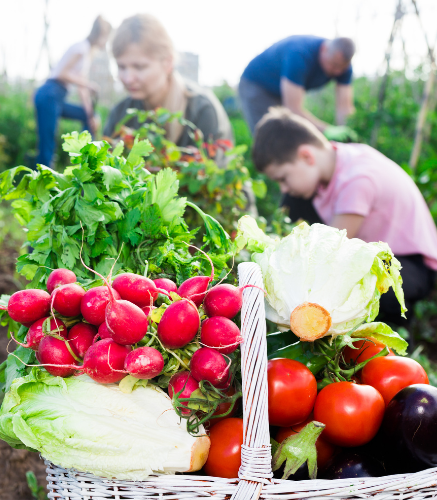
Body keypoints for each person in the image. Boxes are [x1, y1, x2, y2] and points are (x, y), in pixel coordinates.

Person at [252, 107, 437, 325]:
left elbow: (330, 257)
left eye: (283, 178)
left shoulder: (356, 179)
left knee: (373, 292)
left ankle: (392, 335)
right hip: (374, 251)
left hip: (410, 265)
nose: (283, 188)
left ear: (307, 156)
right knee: (296, 198)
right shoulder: (334, 159)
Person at [239, 35, 356, 224]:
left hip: (282, 92)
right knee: (277, 147)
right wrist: (326, 130)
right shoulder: (299, 55)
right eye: (332, 65)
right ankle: (286, 214)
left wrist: (345, 133)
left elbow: (345, 109)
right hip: (258, 87)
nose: (335, 72)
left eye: (340, 69)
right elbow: (293, 109)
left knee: (307, 148)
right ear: (324, 49)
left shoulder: (342, 65)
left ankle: (315, 201)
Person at [103, 14, 233, 149]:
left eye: (139, 67)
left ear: (168, 62)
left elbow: (211, 168)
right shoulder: (121, 113)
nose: (128, 78)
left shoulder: (202, 110)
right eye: (121, 67)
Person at [34, 16, 111, 168]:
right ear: (101, 34)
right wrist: (89, 85)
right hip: (49, 93)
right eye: (107, 38)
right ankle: (42, 182)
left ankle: (87, 161)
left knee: (91, 117)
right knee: (47, 144)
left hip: (58, 97)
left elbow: (82, 89)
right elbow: (62, 73)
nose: (106, 43)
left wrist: (90, 115)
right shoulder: (81, 48)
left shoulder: (87, 52)